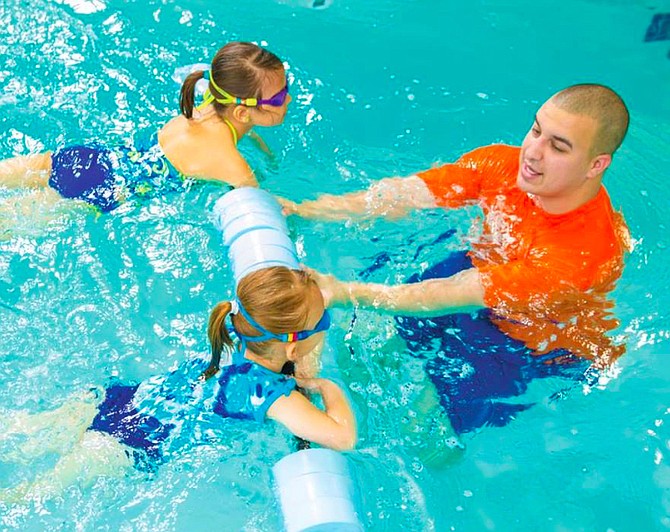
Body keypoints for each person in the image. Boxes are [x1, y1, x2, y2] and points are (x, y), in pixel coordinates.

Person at [282, 83, 631, 432]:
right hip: (482, 276)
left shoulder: (577, 254)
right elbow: (403, 194)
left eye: (558, 147)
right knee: (369, 333)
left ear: (595, 164)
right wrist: (305, 211)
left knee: (428, 425)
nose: (533, 152)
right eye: (536, 130)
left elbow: (454, 293)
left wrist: (341, 291)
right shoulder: (502, 165)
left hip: (533, 340)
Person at [0, 267, 356, 503]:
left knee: (21, 431)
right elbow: (342, 437)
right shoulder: (271, 394)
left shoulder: (230, 335)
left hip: (120, 398)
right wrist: (330, 388)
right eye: (322, 318)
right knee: (29, 495)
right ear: (293, 346)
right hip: (132, 444)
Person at [0, 41, 291, 236]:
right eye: (278, 97)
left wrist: (265, 153)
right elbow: (265, 209)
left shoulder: (209, 100)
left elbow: (242, 129)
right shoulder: (231, 163)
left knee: (36, 166)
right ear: (241, 112)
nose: (288, 98)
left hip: (93, 156)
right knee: (11, 220)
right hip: (105, 191)